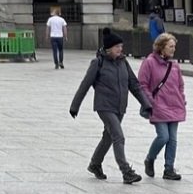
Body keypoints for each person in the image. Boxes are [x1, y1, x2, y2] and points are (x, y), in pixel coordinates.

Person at [69, 28, 152, 183]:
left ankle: (95, 164)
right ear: (108, 49)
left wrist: (146, 104)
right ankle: (126, 171)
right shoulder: (98, 63)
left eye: (121, 47)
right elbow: (85, 85)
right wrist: (75, 106)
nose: (120, 50)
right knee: (118, 136)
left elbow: (134, 85)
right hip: (104, 106)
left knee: (108, 137)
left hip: (120, 106)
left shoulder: (123, 62)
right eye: (117, 47)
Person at [138, 33, 185, 181]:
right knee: (163, 136)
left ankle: (169, 169)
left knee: (173, 139)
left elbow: (180, 85)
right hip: (158, 106)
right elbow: (142, 84)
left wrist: (182, 99)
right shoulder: (149, 62)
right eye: (170, 46)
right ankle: (150, 159)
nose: (173, 49)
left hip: (175, 105)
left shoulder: (174, 65)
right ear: (161, 47)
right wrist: (151, 101)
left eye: (174, 46)